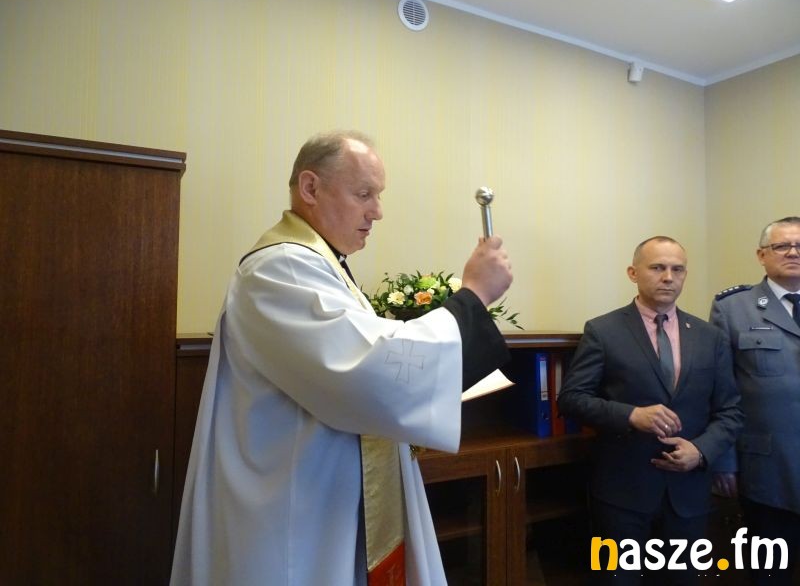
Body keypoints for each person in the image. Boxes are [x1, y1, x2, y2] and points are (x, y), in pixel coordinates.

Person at [170, 130, 513, 586]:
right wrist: (473, 296)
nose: (377, 211)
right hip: (295, 513)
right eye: (364, 194)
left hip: (328, 500)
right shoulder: (280, 268)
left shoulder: (322, 267)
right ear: (310, 188)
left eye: (378, 195)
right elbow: (368, 370)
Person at [557, 236, 742, 585]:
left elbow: (730, 410)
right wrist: (631, 415)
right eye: (657, 267)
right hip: (623, 493)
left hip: (688, 495)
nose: (668, 277)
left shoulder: (710, 337)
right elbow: (571, 399)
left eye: (677, 269)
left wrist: (701, 450)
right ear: (633, 273)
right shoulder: (603, 330)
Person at [709, 216, 800, 584]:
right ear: (762, 255)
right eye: (782, 246)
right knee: (770, 575)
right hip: (767, 470)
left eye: (799, 246)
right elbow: (720, 391)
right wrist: (723, 461)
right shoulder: (732, 308)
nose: (793, 252)